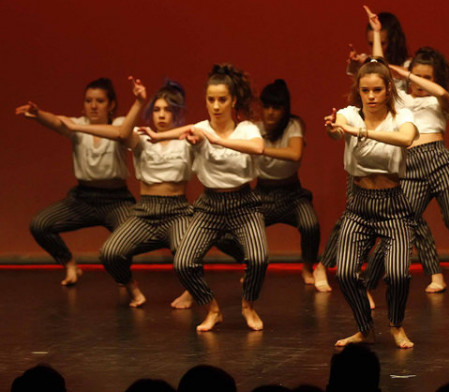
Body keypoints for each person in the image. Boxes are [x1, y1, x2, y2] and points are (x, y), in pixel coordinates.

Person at [365, 45, 449, 308]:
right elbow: (379, 67)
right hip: (411, 167)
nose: (421, 84)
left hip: (440, 161)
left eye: (427, 78)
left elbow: (444, 92)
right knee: (396, 228)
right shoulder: (399, 99)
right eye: (417, 77)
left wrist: (410, 75)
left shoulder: (439, 101)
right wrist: (377, 36)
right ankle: (366, 286)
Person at [143, 64, 267, 331]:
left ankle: (248, 305)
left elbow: (258, 148)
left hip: (243, 203)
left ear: (233, 100)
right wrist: (157, 136)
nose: (216, 105)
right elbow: (186, 130)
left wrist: (219, 141)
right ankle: (212, 309)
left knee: (258, 258)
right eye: (211, 100)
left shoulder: (246, 129)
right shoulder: (199, 129)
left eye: (222, 99)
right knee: (184, 262)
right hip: (210, 205)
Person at [325, 8, 419, 348]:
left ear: (388, 89)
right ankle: (364, 327)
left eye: (377, 89)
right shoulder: (350, 115)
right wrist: (338, 129)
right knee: (346, 271)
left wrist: (363, 132)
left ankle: (395, 325)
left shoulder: (401, 115)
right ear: (359, 91)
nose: (371, 96)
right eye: (366, 90)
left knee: (397, 273)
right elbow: (338, 132)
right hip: (360, 204)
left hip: (393, 204)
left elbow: (407, 138)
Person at [59, 78, 194, 307]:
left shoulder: (187, 140)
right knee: (110, 253)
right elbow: (121, 134)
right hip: (145, 210)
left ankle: (191, 292)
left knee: (188, 256)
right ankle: (132, 288)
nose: (161, 115)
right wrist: (139, 101)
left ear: (176, 114)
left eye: (168, 110)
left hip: (177, 210)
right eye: (157, 110)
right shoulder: (142, 137)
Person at [16, 78, 135, 286]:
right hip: (83, 198)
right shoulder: (76, 125)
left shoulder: (118, 124)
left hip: (117, 200)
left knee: (129, 237)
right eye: (89, 101)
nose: (94, 106)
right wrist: (38, 114)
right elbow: (56, 121)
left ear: (111, 105)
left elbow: (122, 133)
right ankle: (70, 265)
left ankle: (123, 278)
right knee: (40, 224)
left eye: (99, 101)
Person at [254, 79, 330, 292]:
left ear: (284, 110)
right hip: (262, 192)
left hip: (292, 193)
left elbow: (294, 153)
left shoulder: (293, 125)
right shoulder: (253, 129)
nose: (270, 112)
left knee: (310, 224)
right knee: (245, 228)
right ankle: (252, 272)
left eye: (276, 108)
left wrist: (261, 149)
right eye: (266, 107)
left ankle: (307, 268)